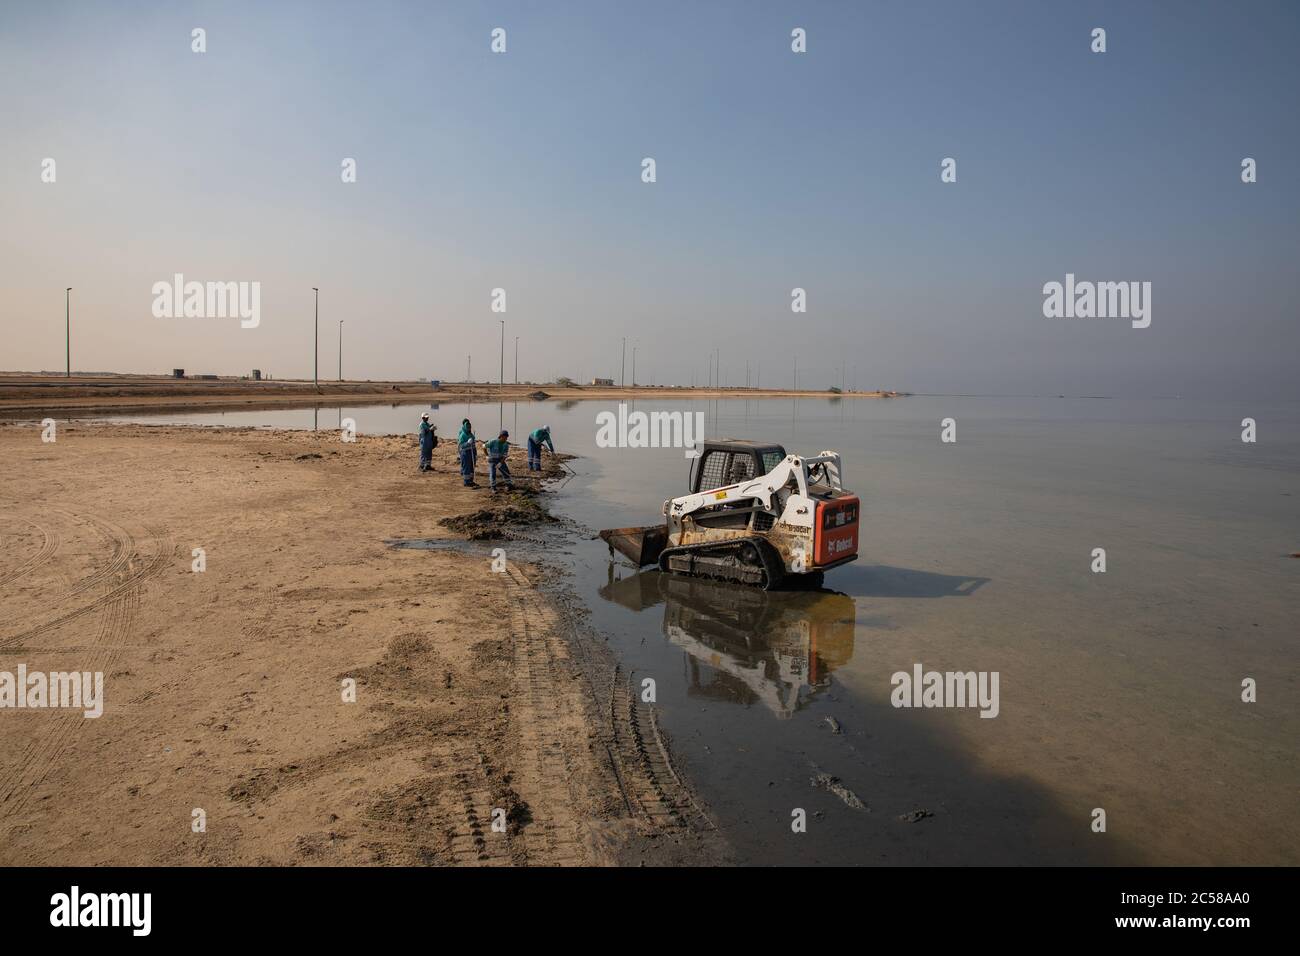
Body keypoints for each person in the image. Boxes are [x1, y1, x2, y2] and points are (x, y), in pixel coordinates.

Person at [457, 419, 478, 487]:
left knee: (472, 467)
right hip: (465, 453)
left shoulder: (471, 434)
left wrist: (476, 454)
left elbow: (474, 445)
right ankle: (466, 481)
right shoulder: (462, 435)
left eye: (470, 427)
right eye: (468, 427)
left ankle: (471, 480)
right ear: (465, 427)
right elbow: (461, 445)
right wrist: (467, 443)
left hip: (472, 452)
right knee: (467, 467)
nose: (469, 428)